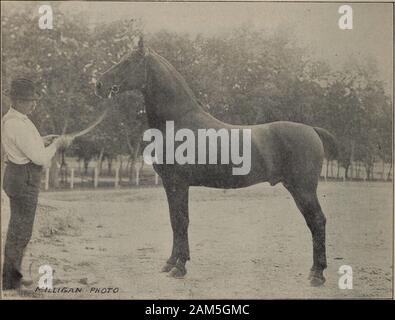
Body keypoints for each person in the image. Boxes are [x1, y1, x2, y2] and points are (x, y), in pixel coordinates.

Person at [1, 78, 73, 290]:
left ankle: (12, 274)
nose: (33, 104)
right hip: (24, 179)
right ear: (17, 100)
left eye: (34, 99)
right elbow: (40, 159)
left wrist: (42, 140)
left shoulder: (17, 119)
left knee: (20, 229)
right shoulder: (16, 123)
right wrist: (57, 144)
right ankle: (10, 280)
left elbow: (27, 145)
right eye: (28, 100)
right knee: (20, 230)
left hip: (20, 176)